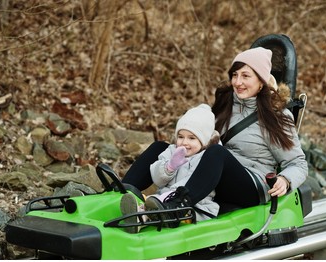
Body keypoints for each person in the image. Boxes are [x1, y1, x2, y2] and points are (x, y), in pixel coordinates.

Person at [121, 46, 308, 229]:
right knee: (161, 147)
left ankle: (178, 205)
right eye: (235, 75)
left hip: (252, 187)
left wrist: (285, 180)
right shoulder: (226, 103)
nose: (238, 82)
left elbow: (298, 163)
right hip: (215, 175)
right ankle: (120, 193)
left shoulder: (277, 116)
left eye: (245, 76)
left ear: (261, 81)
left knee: (217, 153)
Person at [120, 104, 220, 233]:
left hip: (194, 207)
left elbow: (194, 184)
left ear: (205, 141)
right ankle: (138, 219)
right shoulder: (172, 151)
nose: (184, 142)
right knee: (148, 202)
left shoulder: (206, 158)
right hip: (164, 200)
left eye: (192, 138)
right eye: (180, 136)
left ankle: (146, 215)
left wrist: (166, 198)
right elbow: (157, 179)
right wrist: (169, 167)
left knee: (156, 205)